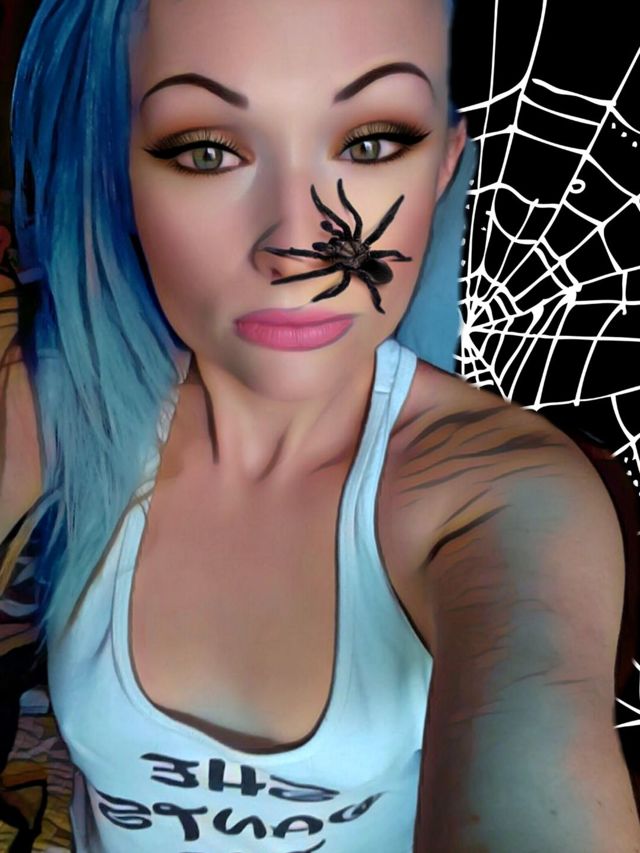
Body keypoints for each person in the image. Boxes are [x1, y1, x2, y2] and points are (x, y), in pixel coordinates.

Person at [1, 0, 638, 850]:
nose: (296, 247)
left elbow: (537, 730)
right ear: (119, 174)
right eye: (206, 150)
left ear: (445, 165)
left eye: (371, 143)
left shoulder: (496, 498)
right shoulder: (59, 404)